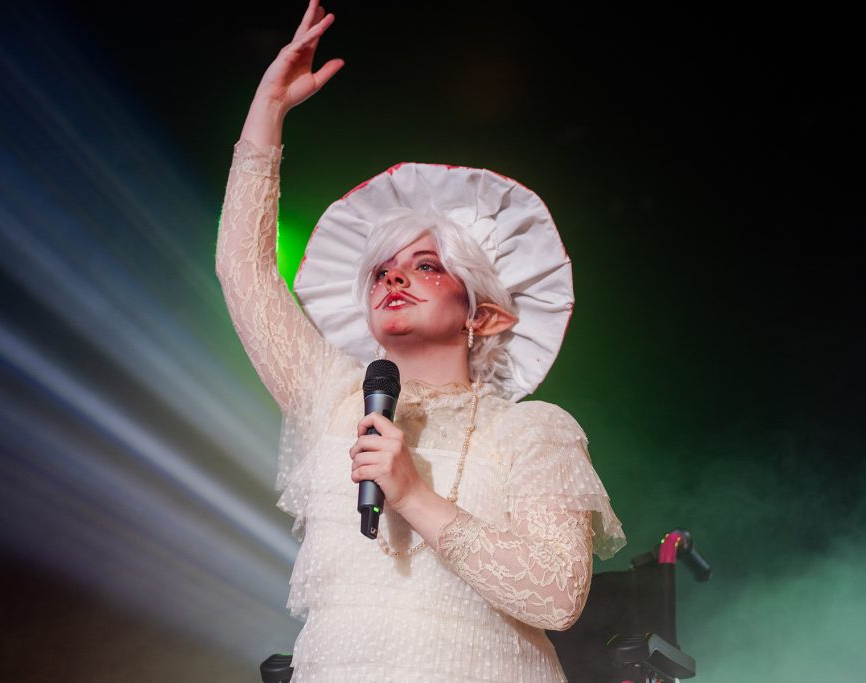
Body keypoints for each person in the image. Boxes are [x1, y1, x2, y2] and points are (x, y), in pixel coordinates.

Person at [216, 2, 626, 680]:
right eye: (382, 270)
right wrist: (268, 111)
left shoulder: (534, 430)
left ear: (484, 315)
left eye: (426, 265)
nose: (395, 276)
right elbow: (243, 271)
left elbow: (557, 596)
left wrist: (411, 494)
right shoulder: (335, 401)